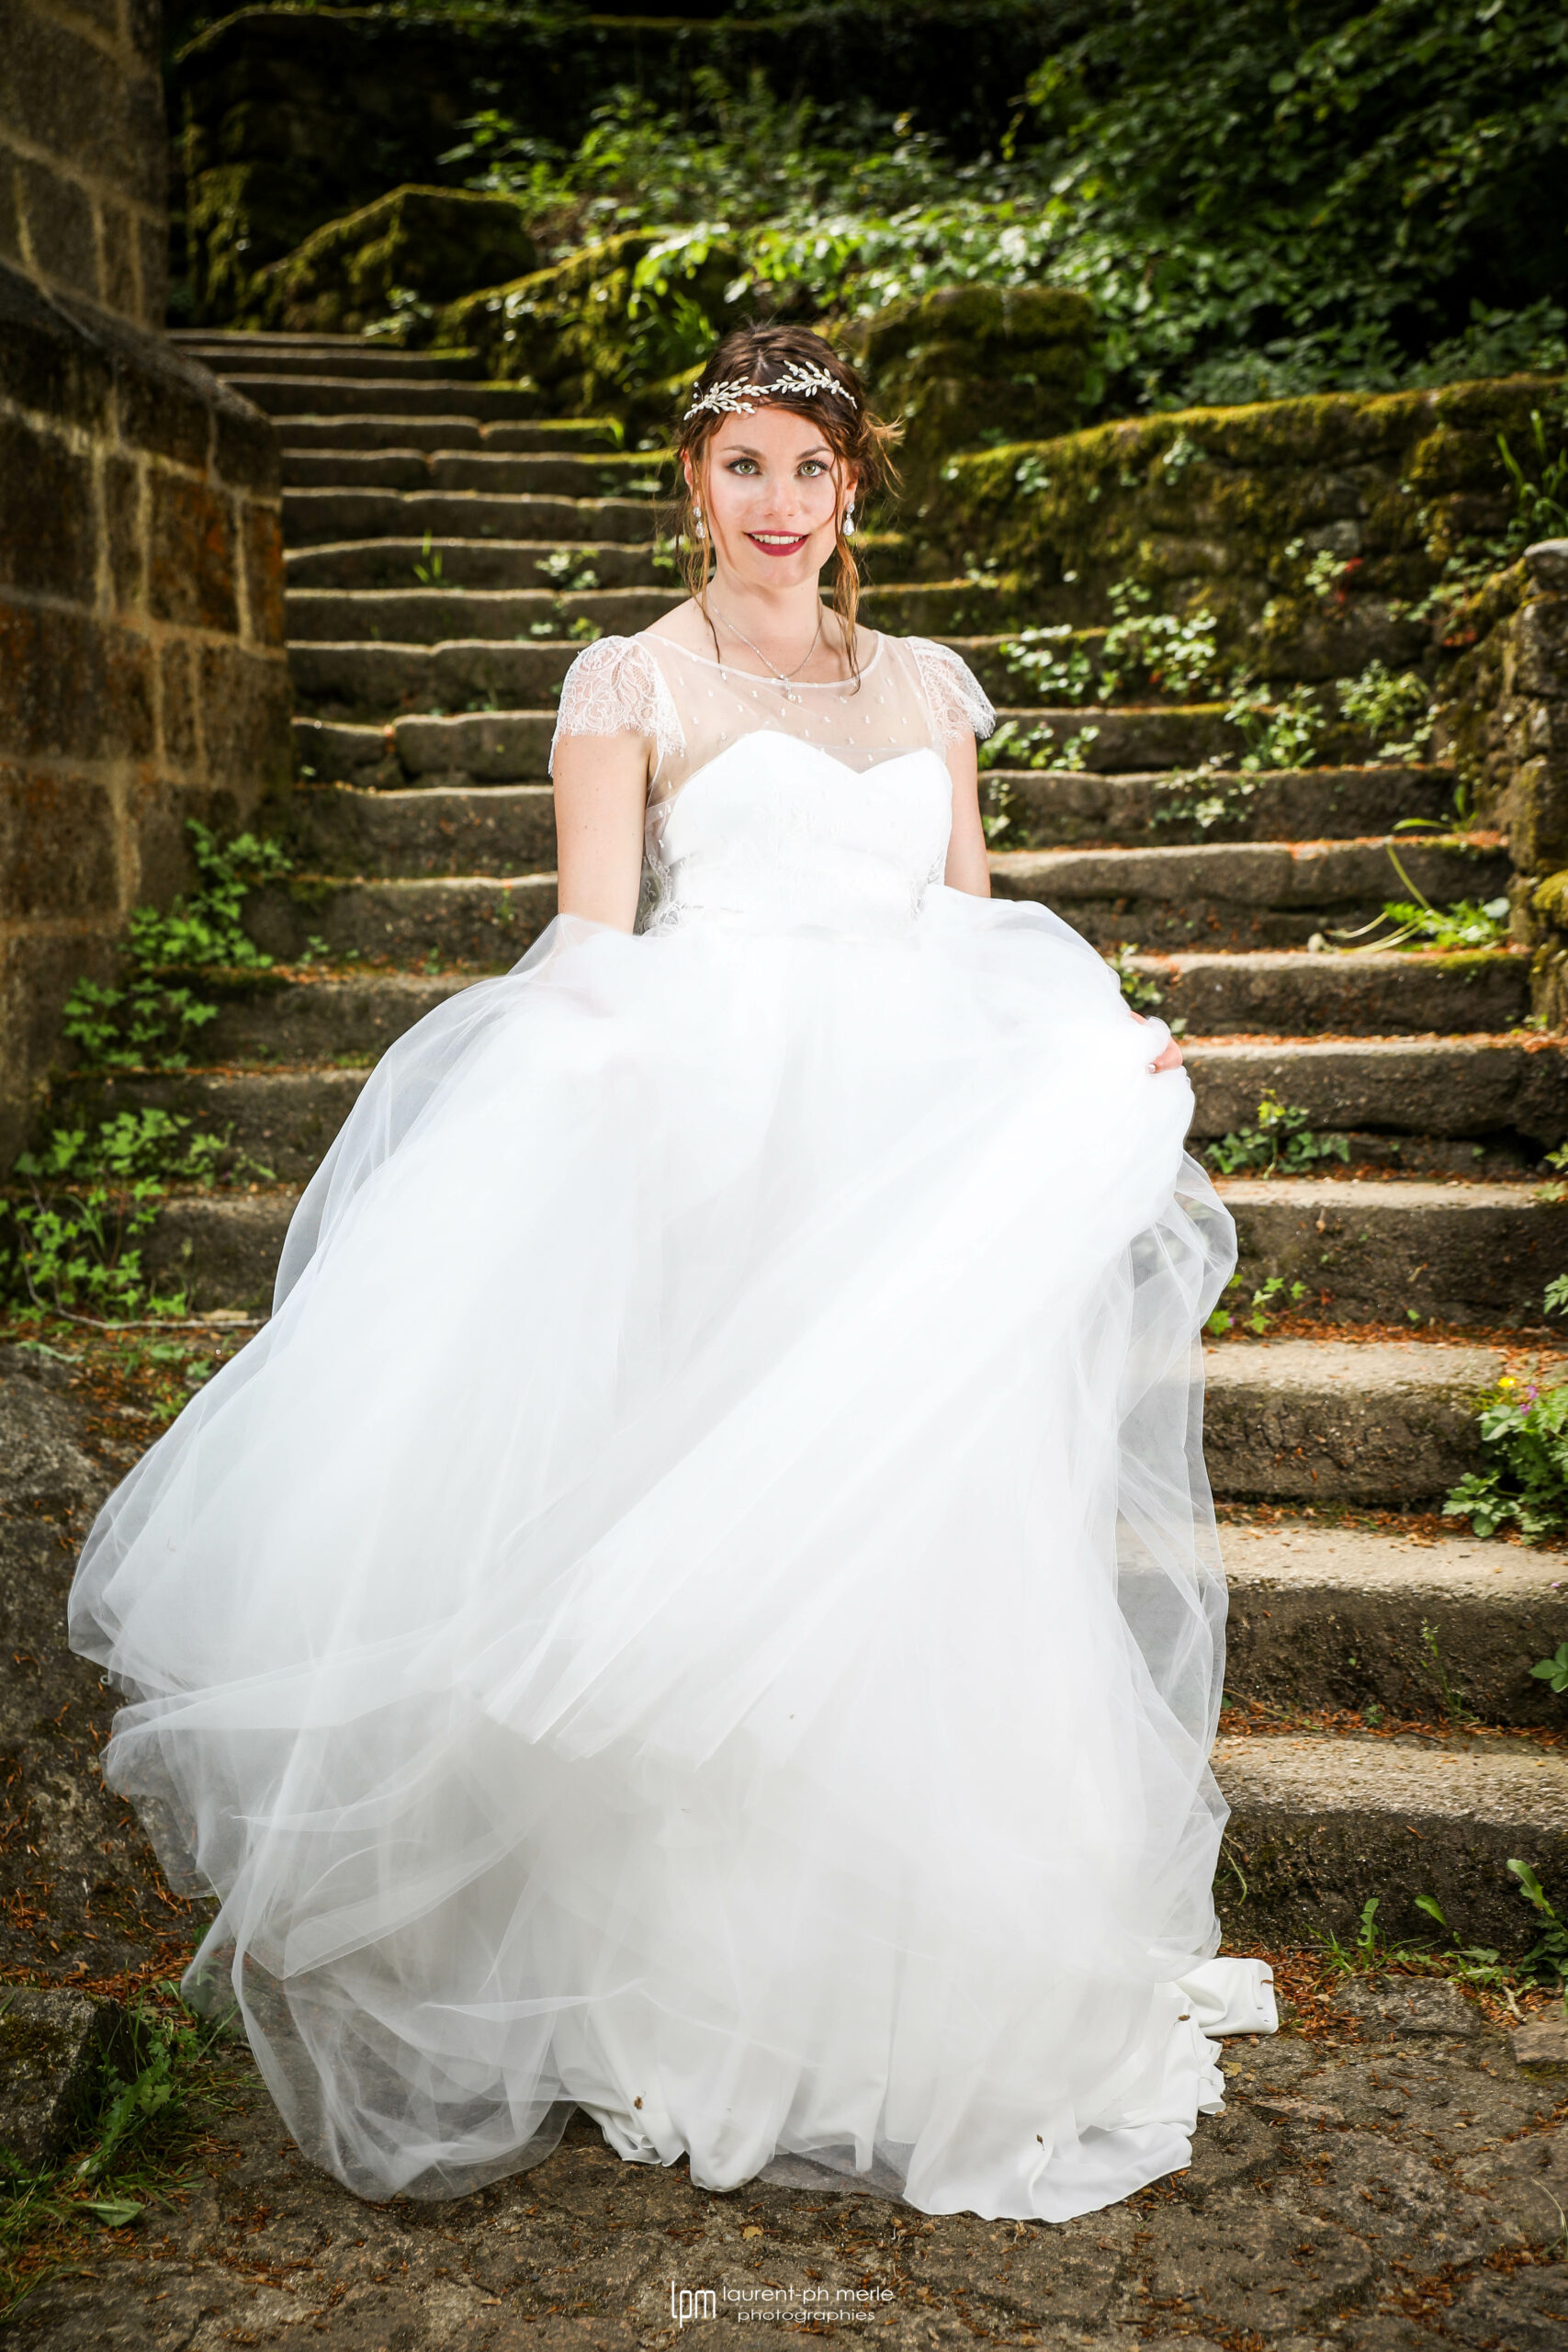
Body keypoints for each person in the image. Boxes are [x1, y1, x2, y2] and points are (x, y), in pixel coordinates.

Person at [68, 322, 1275, 2224]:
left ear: (851, 486)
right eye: (742, 469)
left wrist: (1079, 1049)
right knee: (713, 1544)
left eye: (809, 468)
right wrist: (609, 1115)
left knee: (914, 1541)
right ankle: (697, 1986)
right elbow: (597, 933)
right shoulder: (628, 678)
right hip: (724, 1129)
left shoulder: (928, 687)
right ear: (691, 487)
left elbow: (969, 921)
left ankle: (921, 1981)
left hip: (907, 1147)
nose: (777, 506)